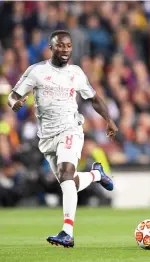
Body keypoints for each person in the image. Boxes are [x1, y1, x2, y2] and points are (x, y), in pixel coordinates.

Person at [7, 30, 118, 248]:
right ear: (51, 47)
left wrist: (109, 120)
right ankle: (96, 174)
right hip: (46, 137)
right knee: (69, 183)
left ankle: (67, 232)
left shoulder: (76, 73)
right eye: (60, 46)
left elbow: (94, 98)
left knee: (67, 174)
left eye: (68, 46)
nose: (65, 49)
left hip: (70, 129)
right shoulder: (36, 71)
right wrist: (14, 104)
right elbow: (13, 95)